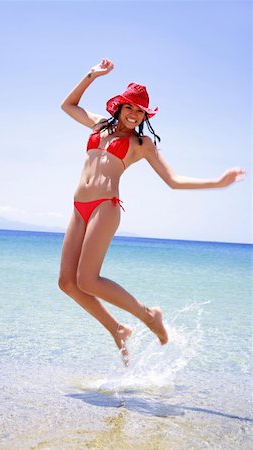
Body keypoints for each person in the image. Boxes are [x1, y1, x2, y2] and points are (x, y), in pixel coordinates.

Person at [58, 58, 245, 366]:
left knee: (88, 280)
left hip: (105, 207)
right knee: (67, 282)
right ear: (119, 107)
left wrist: (218, 182)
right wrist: (93, 74)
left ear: (145, 115)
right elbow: (67, 105)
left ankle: (149, 315)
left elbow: (173, 181)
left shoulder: (141, 143)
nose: (134, 115)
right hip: (78, 208)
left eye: (140, 111)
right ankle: (118, 330)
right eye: (130, 107)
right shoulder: (98, 125)